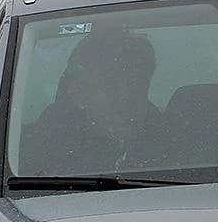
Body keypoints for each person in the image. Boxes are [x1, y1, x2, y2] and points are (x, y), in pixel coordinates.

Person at [17, 31, 161, 175]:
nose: (126, 96)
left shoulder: (169, 146)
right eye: (111, 84)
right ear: (77, 92)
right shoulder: (26, 155)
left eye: (136, 83)